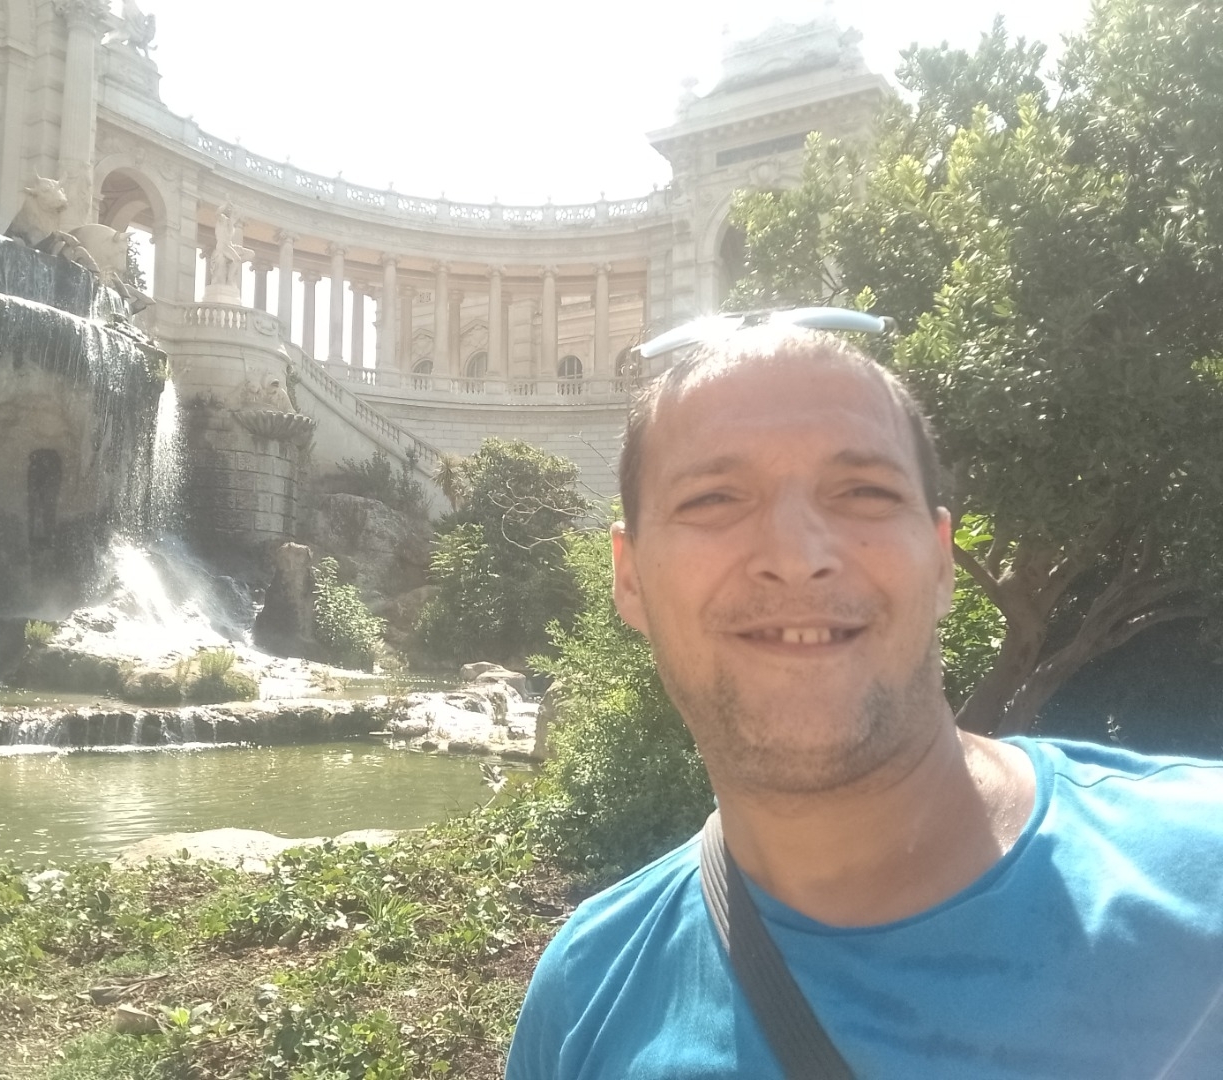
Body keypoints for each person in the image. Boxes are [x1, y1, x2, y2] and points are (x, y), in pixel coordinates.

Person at [505, 325, 1223, 1079]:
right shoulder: (585, 996)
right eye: (713, 498)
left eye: (864, 493)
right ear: (629, 578)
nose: (797, 557)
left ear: (941, 562)